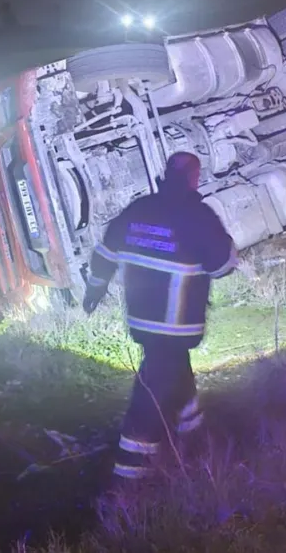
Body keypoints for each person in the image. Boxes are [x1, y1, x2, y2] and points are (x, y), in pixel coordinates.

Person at [81, 151, 239, 481]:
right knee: (150, 395)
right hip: (176, 324)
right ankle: (130, 474)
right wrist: (228, 244)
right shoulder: (199, 216)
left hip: (142, 321)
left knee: (176, 371)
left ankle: (196, 439)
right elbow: (222, 266)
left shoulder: (139, 209)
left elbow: (106, 253)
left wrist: (94, 290)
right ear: (194, 178)